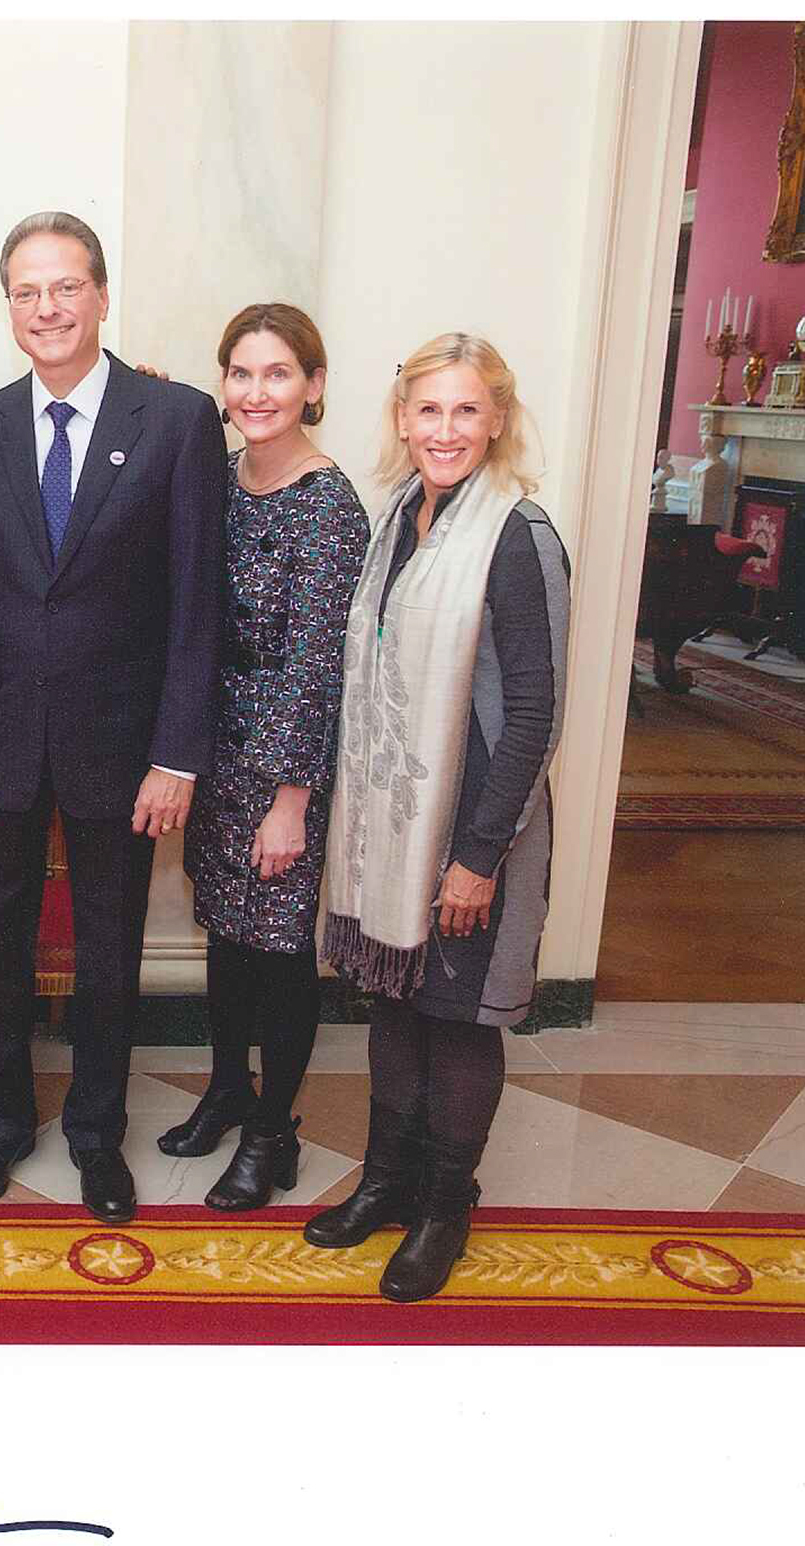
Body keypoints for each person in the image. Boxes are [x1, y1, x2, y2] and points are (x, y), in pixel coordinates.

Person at [0, 211, 226, 1224]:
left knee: (108, 952)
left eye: (64, 287)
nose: (45, 308)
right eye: (24, 291)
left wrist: (177, 754)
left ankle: (97, 1134)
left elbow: (196, 607)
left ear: (101, 295)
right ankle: (3, 1125)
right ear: (7, 307)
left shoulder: (176, 421)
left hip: (123, 747)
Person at [308, 332, 570, 1302]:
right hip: (392, 824)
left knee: (457, 1020)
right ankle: (387, 1181)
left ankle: (444, 1205)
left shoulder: (516, 533)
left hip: (469, 830)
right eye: (428, 409)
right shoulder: (397, 520)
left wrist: (476, 857)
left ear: (496, 417)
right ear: (402, 417)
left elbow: (537, 714)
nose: (445, 429)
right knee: (395, 1002)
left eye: (465, 410)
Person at [159, 304, 369, 1210]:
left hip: (287, 756)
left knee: (278, 946)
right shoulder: (219, 470)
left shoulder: (331, 507)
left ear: (313, 386)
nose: (257, 392)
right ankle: (226, 1088)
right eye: (240, 375)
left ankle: (273, 1133)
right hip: (214, 744)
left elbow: (319, 666)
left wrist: (292, 800)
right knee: (225, 933)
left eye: (278, 374)